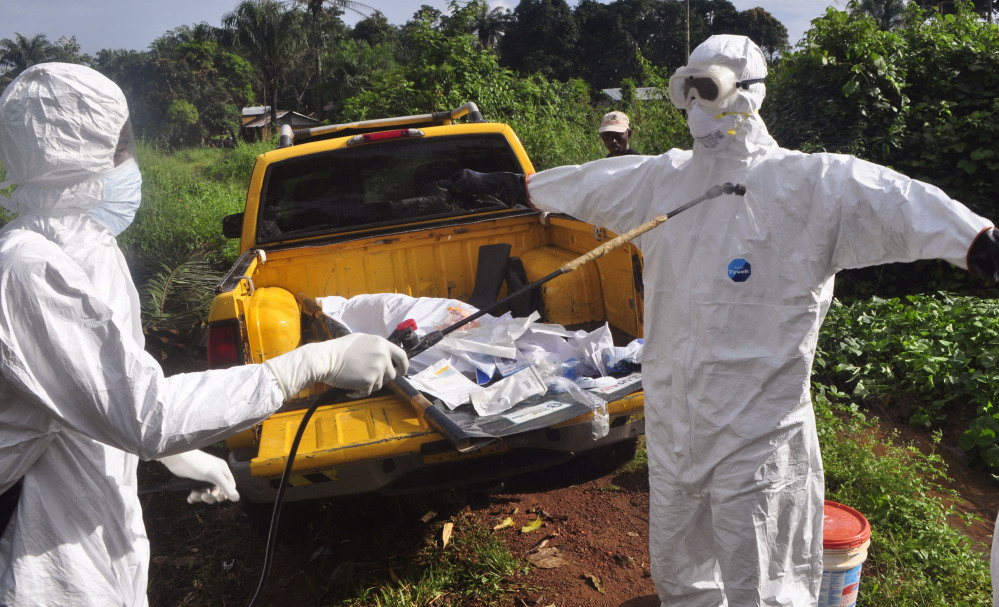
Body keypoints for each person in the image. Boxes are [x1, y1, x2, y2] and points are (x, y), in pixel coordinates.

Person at [445, 34, 999, 606]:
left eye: (707, 88)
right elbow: (590, 183)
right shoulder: (667, 179)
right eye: (689, 89)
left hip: (759, 435)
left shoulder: (811, 184)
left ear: (746, 92)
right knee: (683, 574)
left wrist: (976, 241)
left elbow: (900, 199)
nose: (697, 105)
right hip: (675, 423)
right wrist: (515, 187)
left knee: (765, 581)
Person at [0, 63, 408, 606]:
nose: (130, 163)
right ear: (73, 160)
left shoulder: (92, 250)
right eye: (120, 147)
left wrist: (170, 455)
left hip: (98, 520)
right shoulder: (28, 270)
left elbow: (107, 390)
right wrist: (309, 364)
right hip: (38, 554)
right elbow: (145, 413)